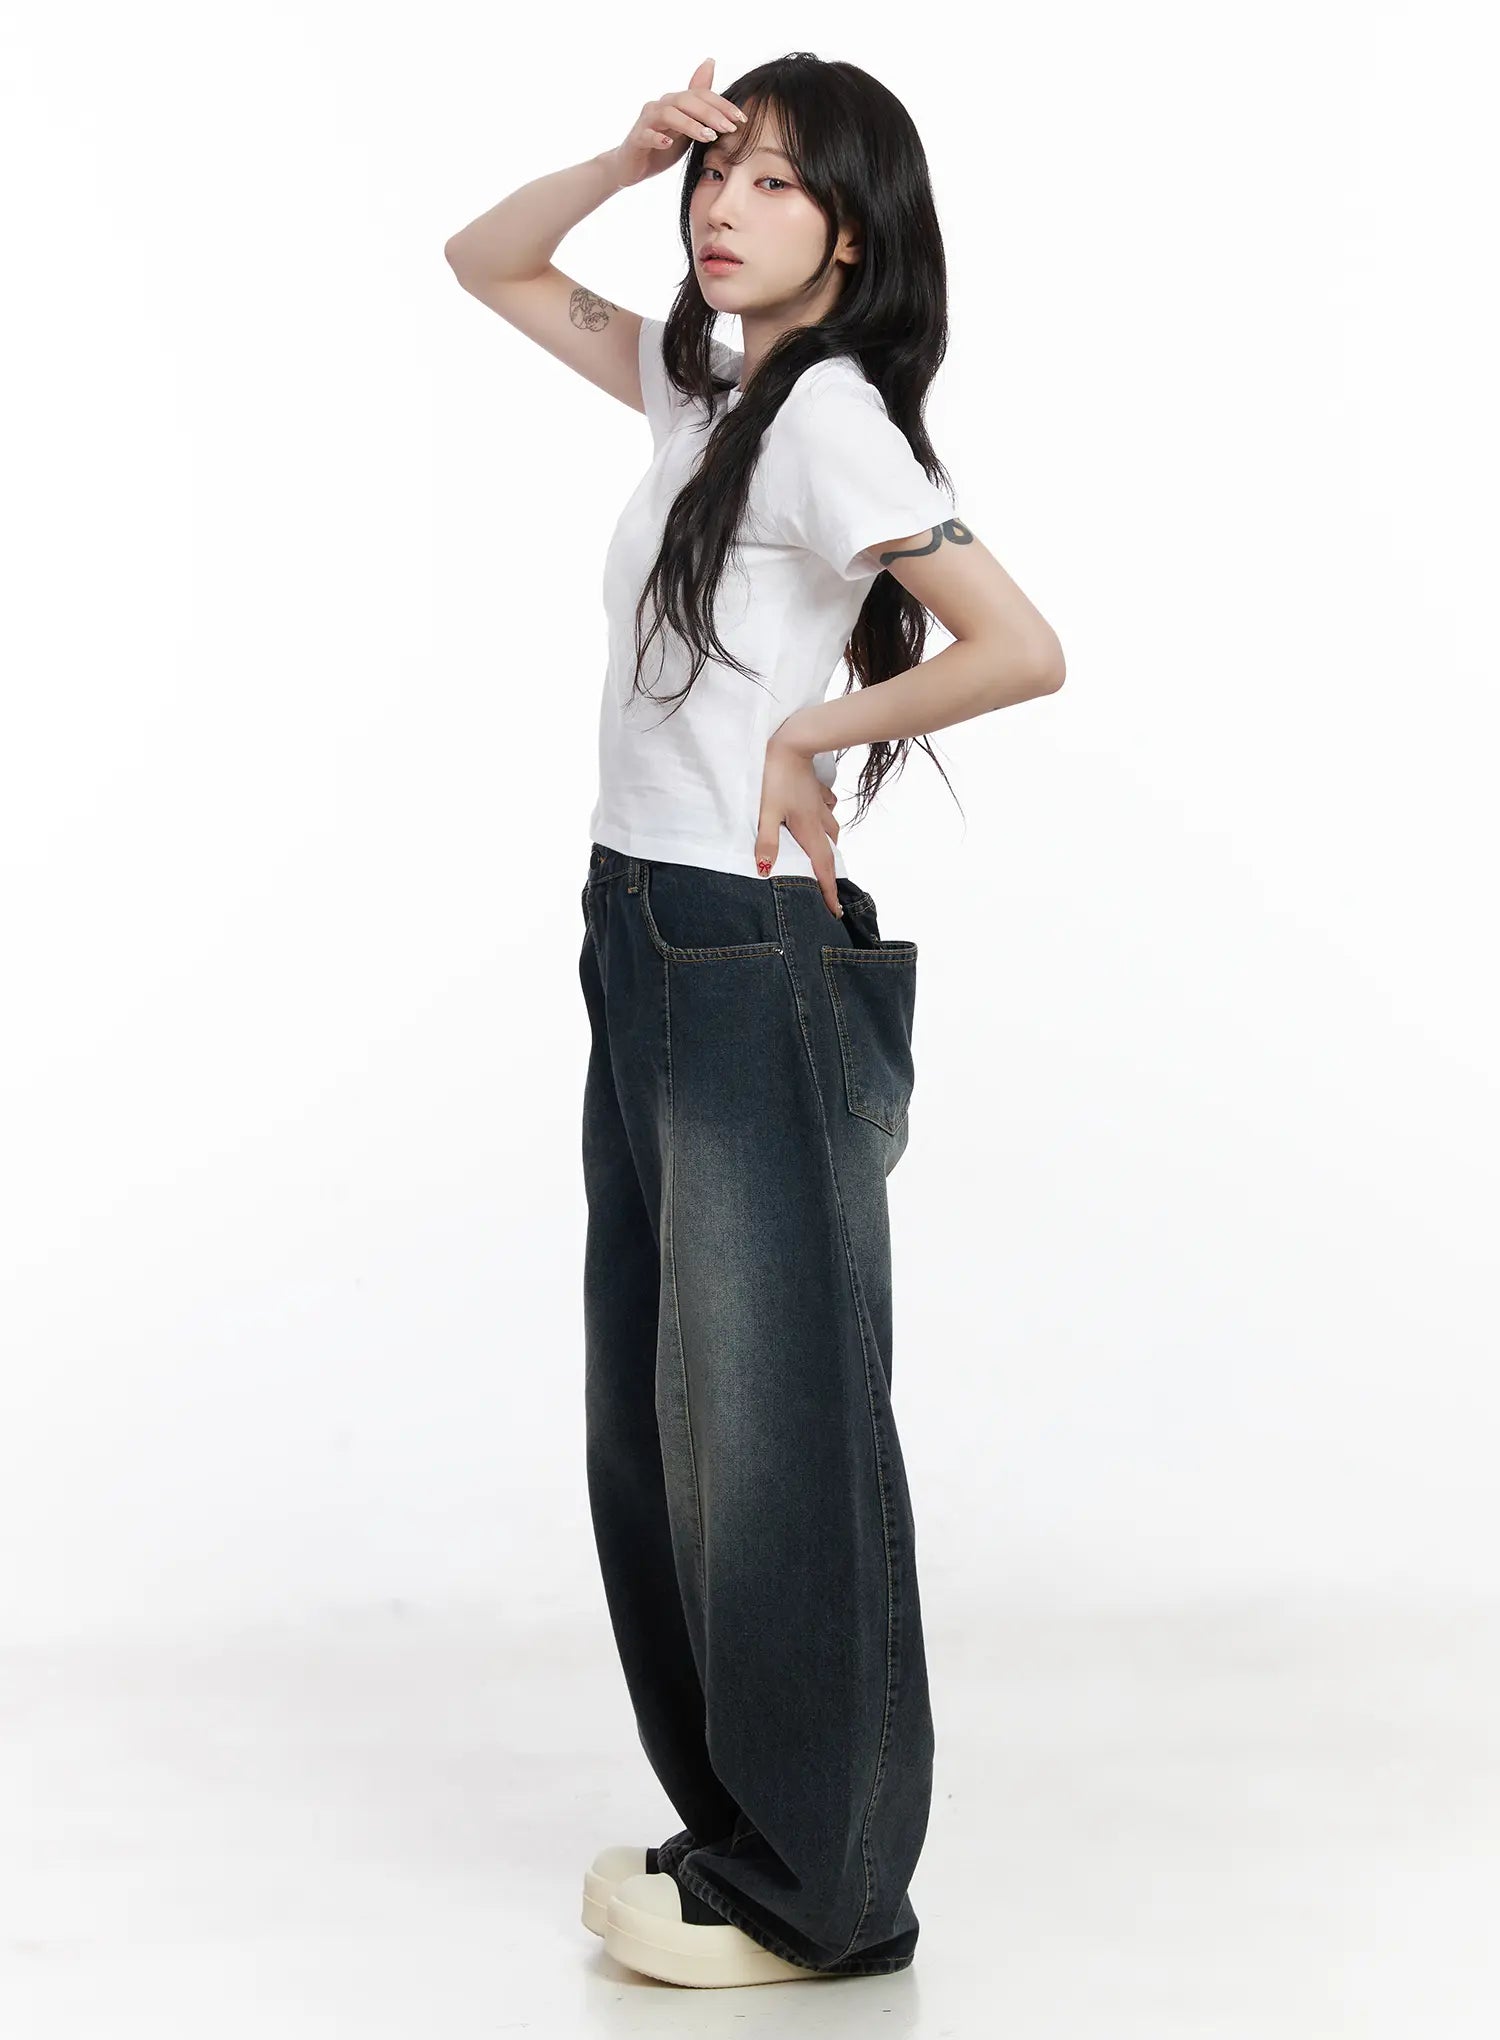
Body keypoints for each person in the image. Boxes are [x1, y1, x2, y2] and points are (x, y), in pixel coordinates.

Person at [446, 51, 1065, 1989]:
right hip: (640, 930)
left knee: (773, 1427)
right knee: (656, 1424)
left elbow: (1020, 646)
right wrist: (623, 152)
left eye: (776, 183)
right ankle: (740, 1830)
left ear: (852, 235)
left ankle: (828, 1889)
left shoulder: (833, 427)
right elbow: (487, 260)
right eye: (720, 176)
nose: (726, 207)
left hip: (737, 951)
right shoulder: (714, 393)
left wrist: (813, 732)